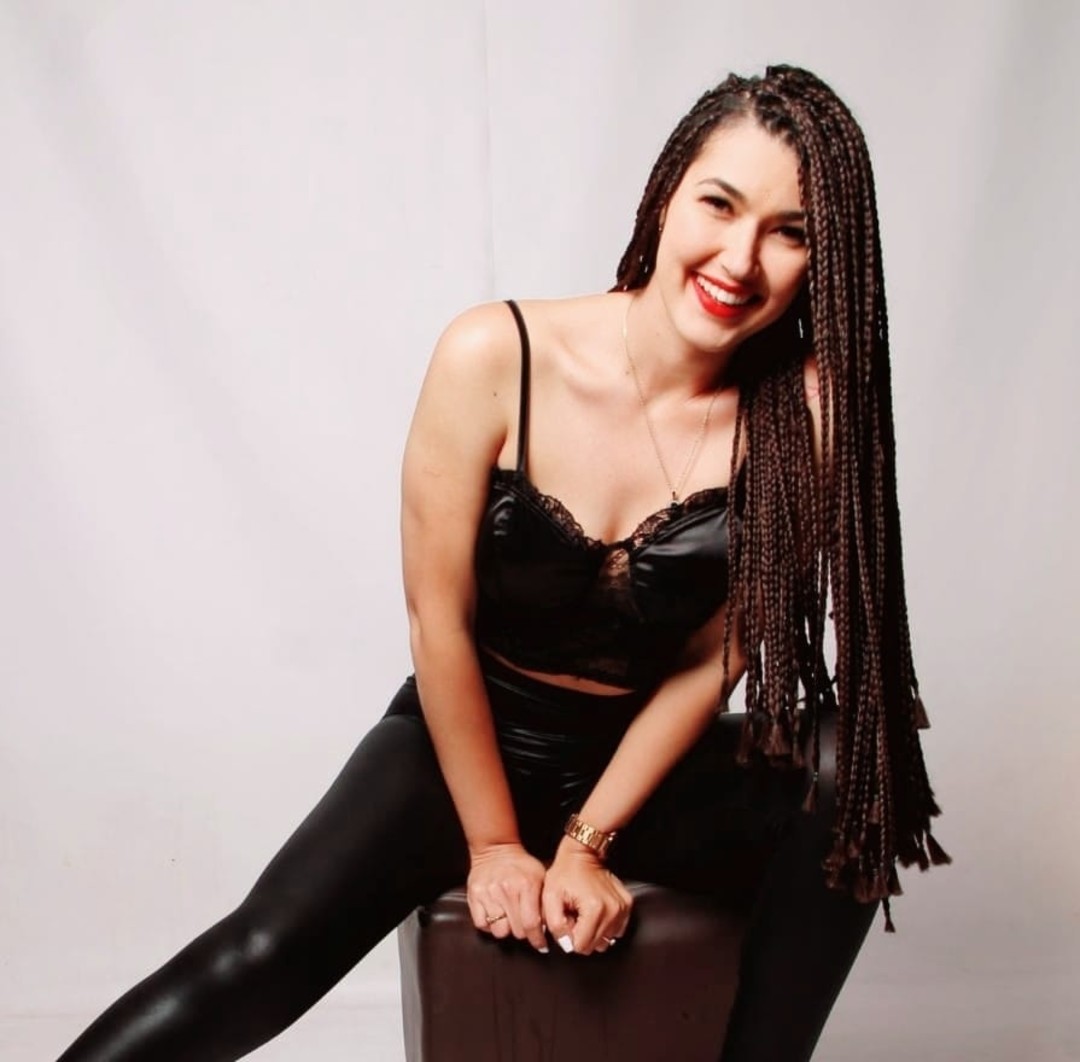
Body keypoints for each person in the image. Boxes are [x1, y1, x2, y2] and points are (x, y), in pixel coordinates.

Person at [55, 64, 948, 1062]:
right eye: (720, 204)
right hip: (465, 738)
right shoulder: (494, 354)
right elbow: (437, 619)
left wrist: (588, 841)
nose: (740, 258)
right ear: (666, 193)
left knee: (854, 763)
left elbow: (714, 659)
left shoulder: (805, 413)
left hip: (641, 768)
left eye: (791, 232)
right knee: (258, 955)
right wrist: (492, 844)